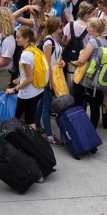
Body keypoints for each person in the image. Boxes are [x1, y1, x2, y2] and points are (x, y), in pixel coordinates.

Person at [5, 26, 46, 129]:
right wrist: (17, 81)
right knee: (30, 119)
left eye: (18, 37)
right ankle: (32, 142)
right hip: (38, 90)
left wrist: (13, 89)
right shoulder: (34, 49)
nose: (16, 39)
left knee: (14, 119)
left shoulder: (25, 55)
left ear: (26, 39)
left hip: (27, 93)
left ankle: (11, 142)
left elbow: (29, 78)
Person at [71, 17, 107, 129]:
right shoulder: (105, 41)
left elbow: (83, 60)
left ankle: (79, 128)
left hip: (89, 79)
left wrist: (74, 62)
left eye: (88, 27)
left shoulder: (92, 42)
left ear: (93, 29)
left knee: (77, 101)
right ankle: (92, 131)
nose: (87, 29)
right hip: (99, 80)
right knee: (94, 107)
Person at [35, 17, 64, 146]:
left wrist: (61, 62)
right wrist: (51, 81)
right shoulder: (48, 42)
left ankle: (36, 126)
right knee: (46, 106)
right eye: (60, 26)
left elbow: (55, 58)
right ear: (55, 27)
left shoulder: (54, 40)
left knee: (42, 104)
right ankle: (49, 135)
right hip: (48, 78)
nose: (62, 28)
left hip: (53, 77)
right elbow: (46, 64)